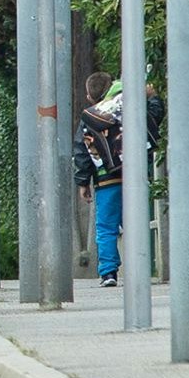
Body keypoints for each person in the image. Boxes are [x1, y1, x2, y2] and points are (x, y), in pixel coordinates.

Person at [77, 72, 125, 285]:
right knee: (135, 222)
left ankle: (108, 272)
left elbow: (82, 150)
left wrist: (82, 181)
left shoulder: (89, 117)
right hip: (133, 176)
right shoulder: (125, 106)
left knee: (106, 226)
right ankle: (140, 264)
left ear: (89, 97)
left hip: (105, 179)